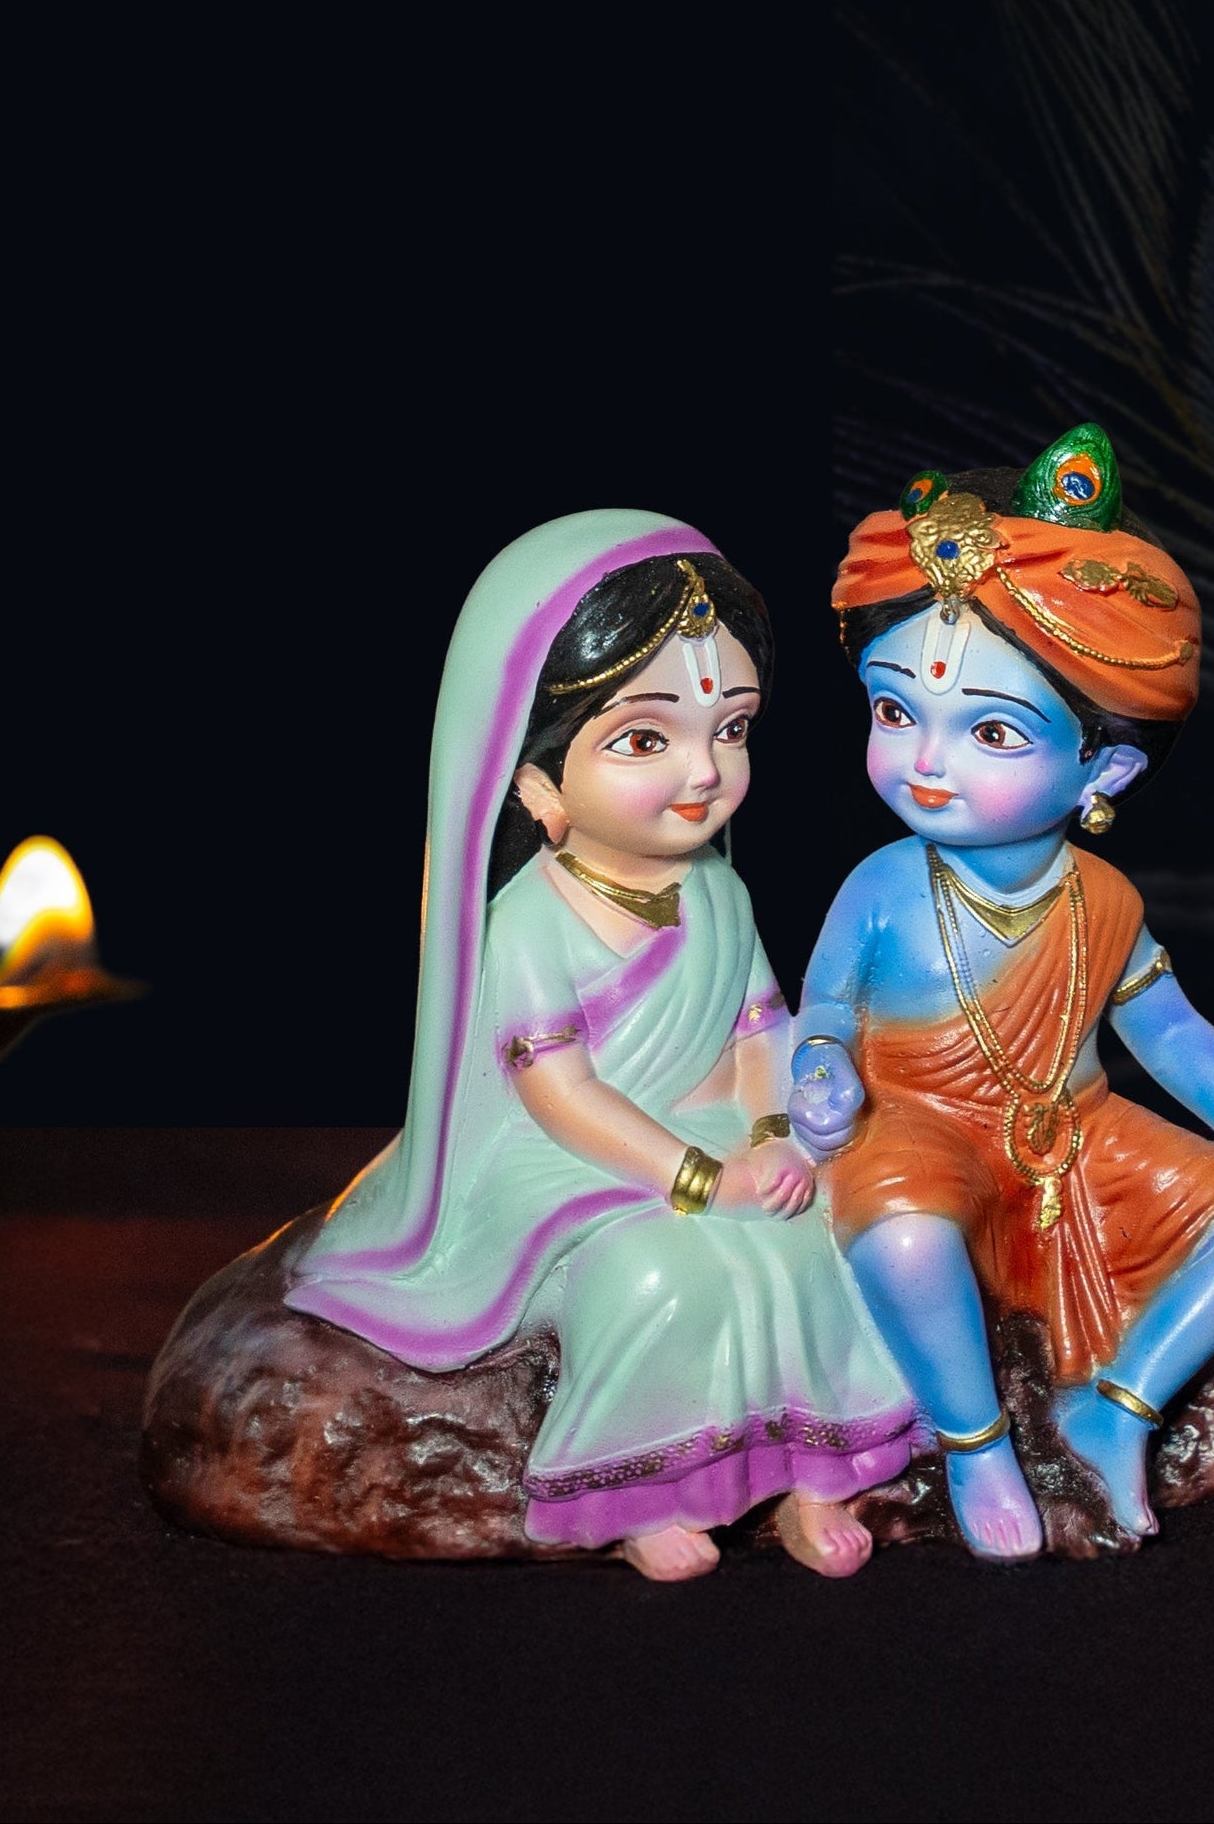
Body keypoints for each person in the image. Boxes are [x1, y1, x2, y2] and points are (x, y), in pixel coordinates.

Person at [286, 511, 914, 1582]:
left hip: (719, 1131)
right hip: (577, 1160)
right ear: (536, 783)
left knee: (819, 1239)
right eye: (645, 739)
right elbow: (562, 1094)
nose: (703, 771)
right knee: (660, 1273)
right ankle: (641, 1491)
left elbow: (759, 1027)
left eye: (731, 728)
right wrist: (700, 1177)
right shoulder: (533, 921)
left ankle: (816, 1482)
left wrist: (775, 1134)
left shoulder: (719, 893)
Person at [789, 427, 1214, 1559]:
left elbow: (1165, 1025)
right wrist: (821, 1067)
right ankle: (974, 1444)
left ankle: (1113, 1411)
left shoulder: (1102, 898)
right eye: (894, 712)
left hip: (1073, 1130)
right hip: (915, 1126)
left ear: (1102, 769)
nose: (927, 760)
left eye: (989, 729)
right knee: (907, 1241)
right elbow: (822, 1008)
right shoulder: (884, 884)